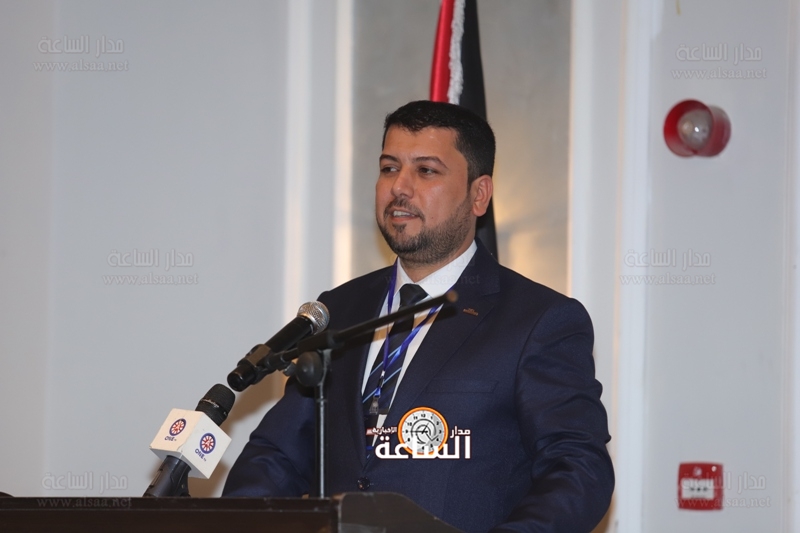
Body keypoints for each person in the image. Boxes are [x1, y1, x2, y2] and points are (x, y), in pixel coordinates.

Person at [223, 100, 614, 533]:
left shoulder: (538, 320)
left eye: (426, 170)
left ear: (479, 194)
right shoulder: (341, 309)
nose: (399, 187)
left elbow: (578, 469)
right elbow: (276, 456)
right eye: (389, 168)